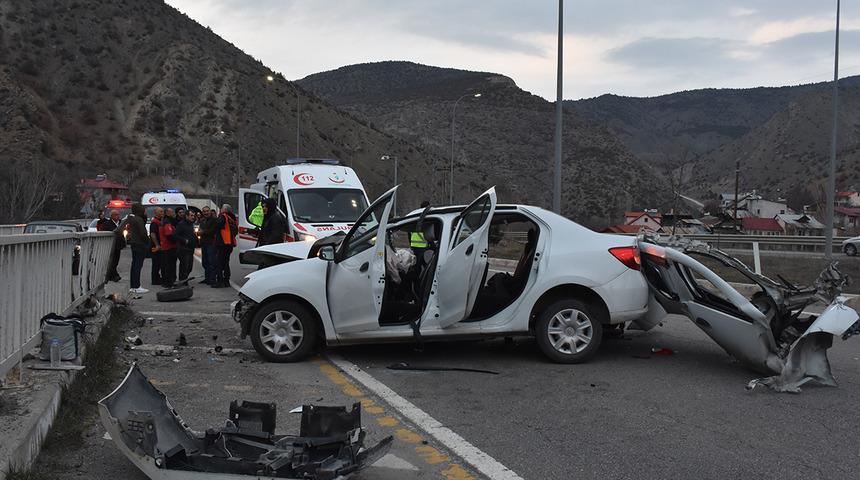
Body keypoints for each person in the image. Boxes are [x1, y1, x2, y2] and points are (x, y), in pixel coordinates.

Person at [121, 204, 150, 294]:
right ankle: (136, 286)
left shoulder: (132, 219)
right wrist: (147, 242)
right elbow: (142, 233)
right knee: (138, 265)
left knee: (134, 266)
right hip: (140, 244)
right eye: (144, 210)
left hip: (134, 243)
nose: (145, 212)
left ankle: (133, 286)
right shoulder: (139, 219)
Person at [213, 204, 238, 288]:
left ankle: (220, 281)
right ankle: (226, 280)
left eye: (222, 208)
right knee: (226, 262)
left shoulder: (223, 217)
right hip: (229, 243)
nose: (220, 209)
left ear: (224, 210)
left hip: (222, 243)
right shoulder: (232, 218)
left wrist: (215, 220)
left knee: (219, 263)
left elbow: (217, 225)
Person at [99, 209, 124, 282]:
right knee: (112, 261)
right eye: (116, 215)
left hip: (118, 245)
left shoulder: (120, 223)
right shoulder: (107, 224)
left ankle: (112, 275)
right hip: (111, 245)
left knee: (116, 261)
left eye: (118, 214)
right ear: (112, 216)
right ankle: (113, 276)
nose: (118, 216)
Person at [174, 207, 197, 281]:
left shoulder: (191, 224)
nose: (193, 217)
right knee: (184, 266)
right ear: (186, 216)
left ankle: (184, 279)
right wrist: (184, 240)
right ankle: (182, 281)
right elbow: (175, 235)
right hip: (183, 249)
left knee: (189, 267)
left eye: (193, 215)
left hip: (191, 248)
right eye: (191, 215)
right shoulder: (181, 224)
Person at [159, 208, 178, 287]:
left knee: (166, 265)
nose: (173, 213)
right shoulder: (167, 222)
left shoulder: (165, 221)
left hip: (166, 246)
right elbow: (169, 234)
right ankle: (168, 282)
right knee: (169, 266)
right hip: (169, 247)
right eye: (172, 212)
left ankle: (167, 281)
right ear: (167, 213)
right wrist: (177, 240)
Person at [198, 206, 218, 284]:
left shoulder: (214, 220)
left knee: (212, 262)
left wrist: (202, 232)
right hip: (204, 243)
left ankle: (213, 279)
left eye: (207, 211)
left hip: (211, 243)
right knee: (205, 262)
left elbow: (212, 231)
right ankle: (207, 278)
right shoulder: (202, 220)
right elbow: (200, 230)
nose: (205, 213)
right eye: (204, 211)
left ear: (210, 211)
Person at [149, 207, 164, 285]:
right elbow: (153, 234)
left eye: (162, 211)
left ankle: (157, 278)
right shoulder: (154, 222)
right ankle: (155, 280)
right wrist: (157, 245)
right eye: (161, 211)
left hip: (159, 246)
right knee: (156, 263)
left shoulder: (159, 221)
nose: (162, 213)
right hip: (156, 247)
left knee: (159, 263)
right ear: (156, 213)